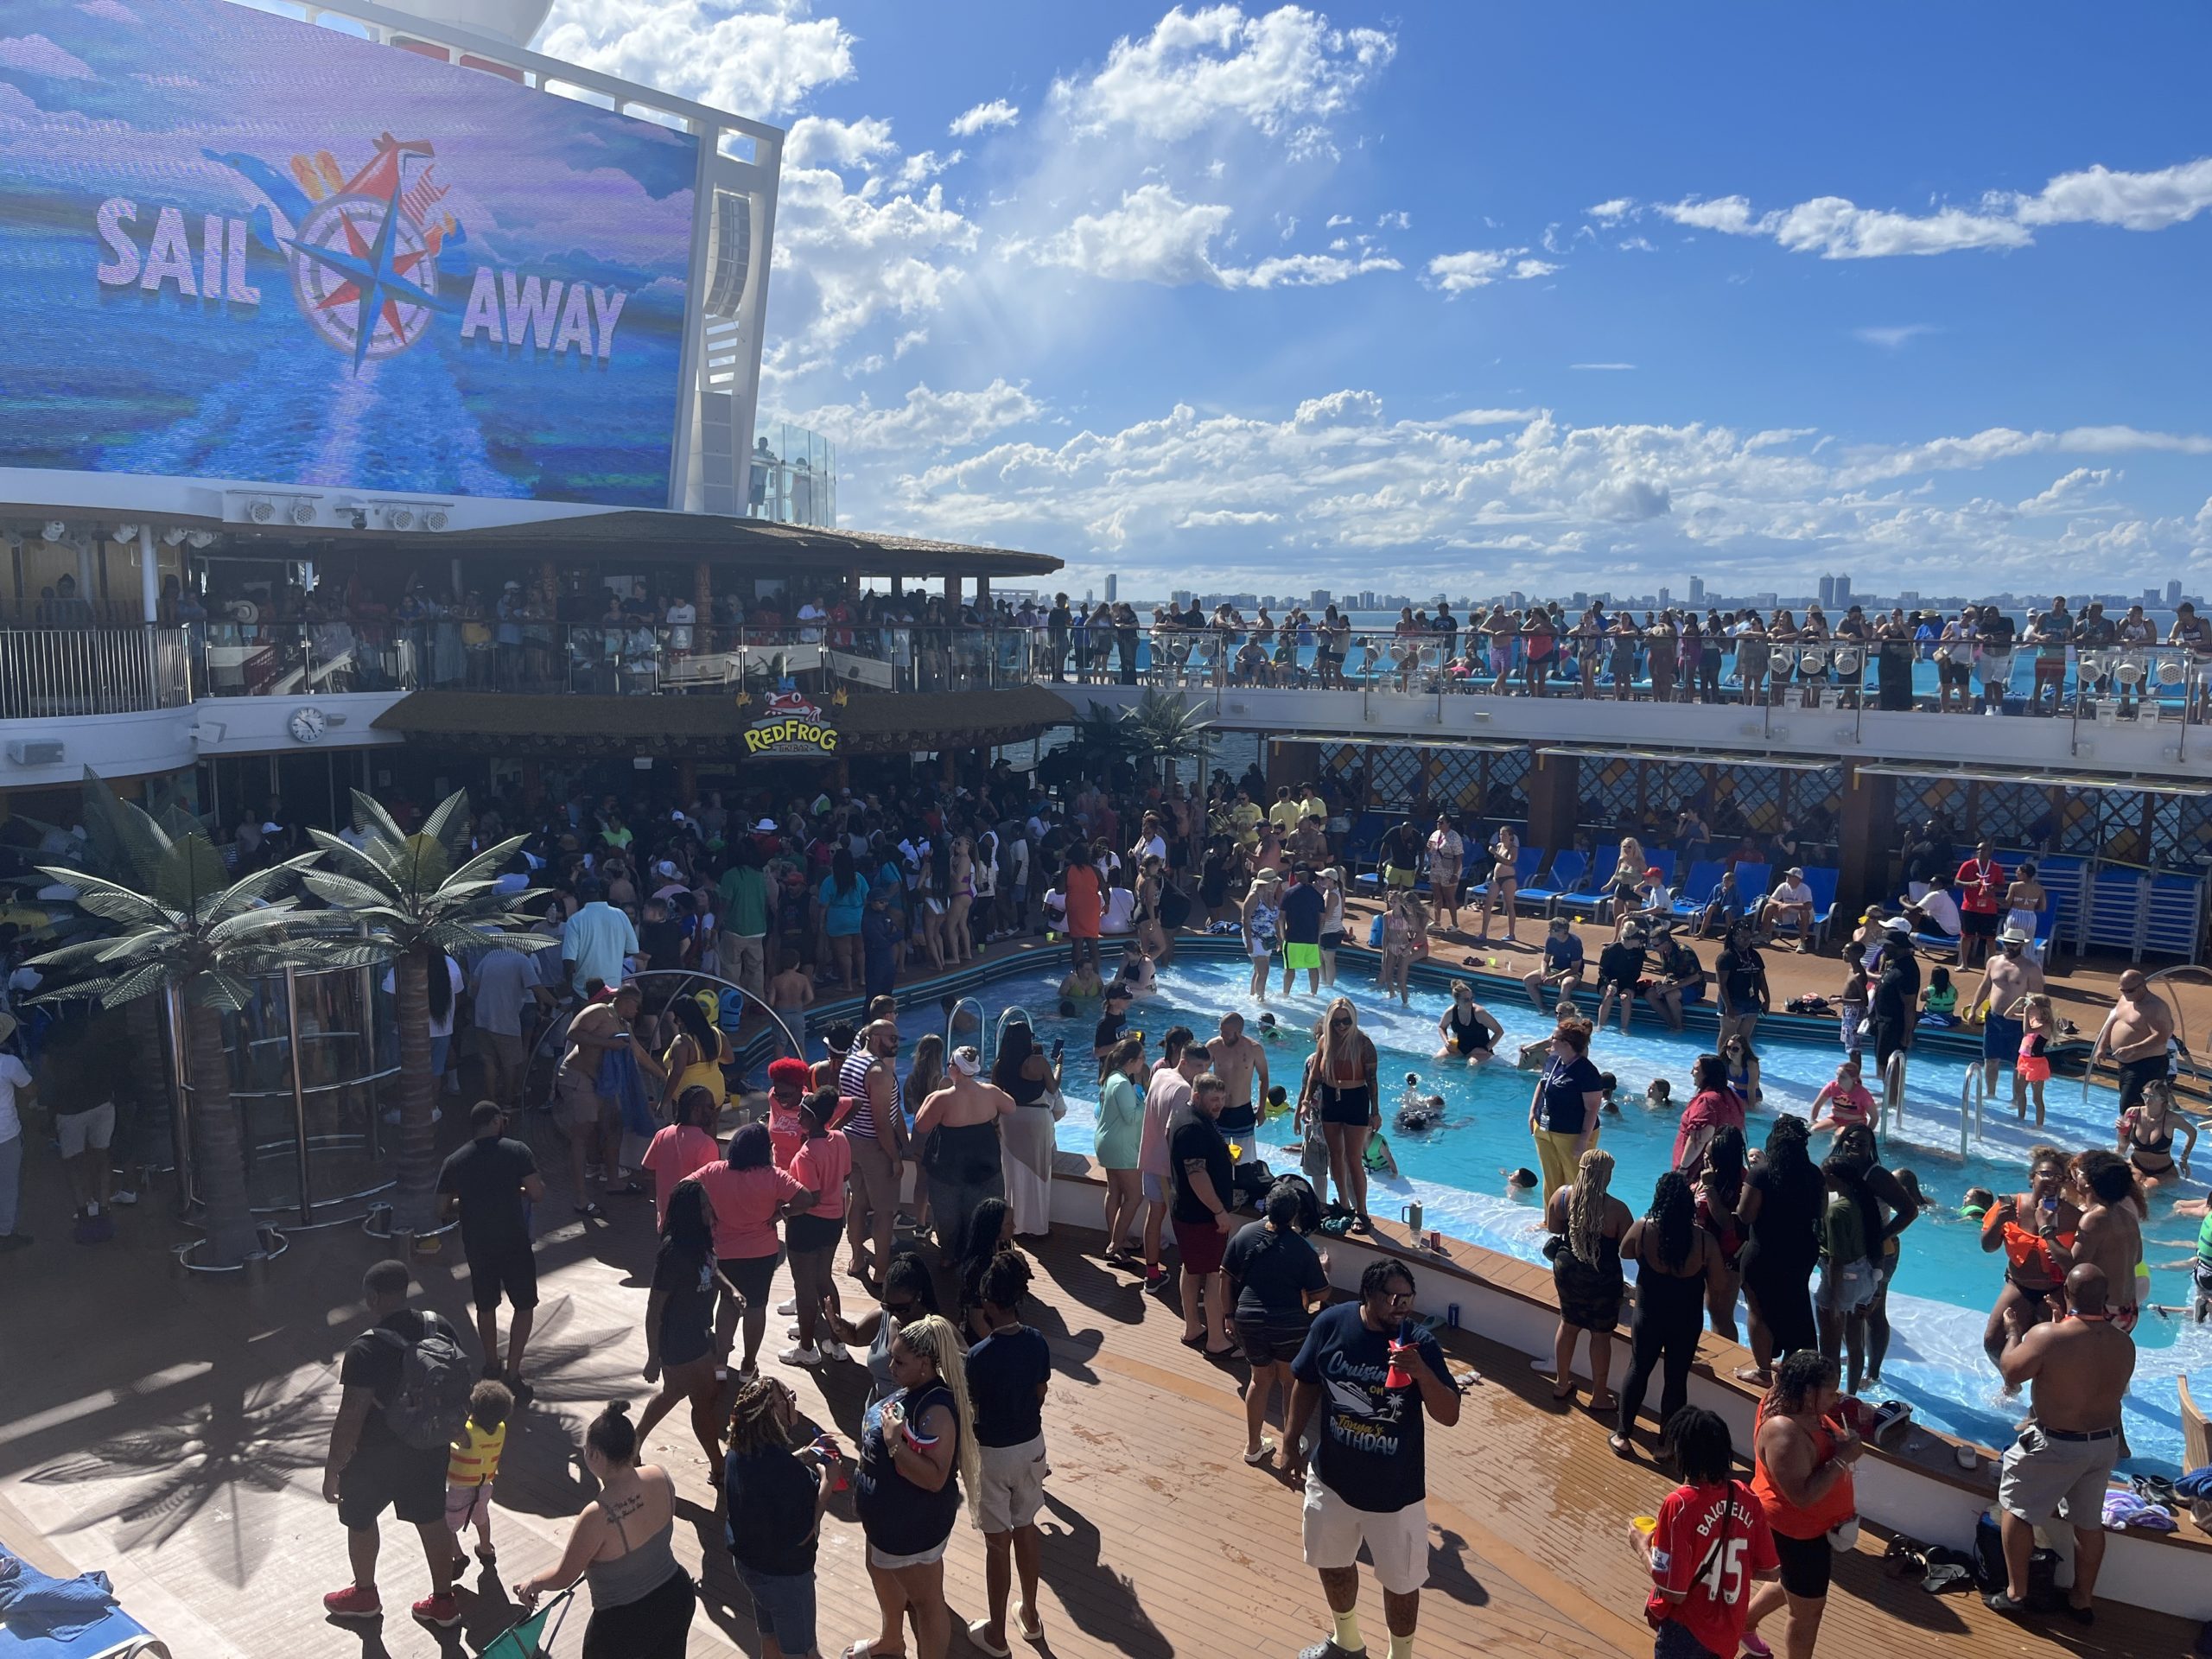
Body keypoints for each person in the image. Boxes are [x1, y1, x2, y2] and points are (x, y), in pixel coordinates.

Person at [1283, 1261, 1460, 1659]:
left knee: (1401, 1583)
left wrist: (1423, 1375)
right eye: (1393, 1298)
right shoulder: (1331, 1324)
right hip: (1332, 1482)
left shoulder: (1420, 1345)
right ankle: (1346, 1642)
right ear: (1368, 1296)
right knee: (1332, 1563)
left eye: (1408, 1298)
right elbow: (1306, 1382)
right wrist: (1290, 1441)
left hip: (1396, 1496)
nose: (1402, 1306)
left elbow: (1449, 1415)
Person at [320, 1260, 468, 1627]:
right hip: (429, 1447)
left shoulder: (365, 1350)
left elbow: (351, 1415)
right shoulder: (440, 1325)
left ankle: (364, 1595)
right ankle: (444, 1603)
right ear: (406, 1289)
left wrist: (333, 1468)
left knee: (361, 1519)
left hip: (374, 1457)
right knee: (432, 1520)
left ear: (371, 1298)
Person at [1986, 1262, 2134, 1625]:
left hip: (2056, 1445)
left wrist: (2014, 1332)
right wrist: (2058, 1321)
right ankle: (2082, 1601)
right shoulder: (2124, 1343)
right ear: (2106, 1299)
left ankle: (2015, 1595)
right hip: (2102, 1446)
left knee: (2016, 1511)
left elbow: (2012, 1371)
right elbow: (2086, 1370)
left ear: (2067, 1293)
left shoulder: (2046, 1336)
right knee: (2088, 1524)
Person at [514, 1401, 696, 1657]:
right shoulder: (659, 1475)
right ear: (633, 1446)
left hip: (623, 1623)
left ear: (595, 1455)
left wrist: (532, 1584)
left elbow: (564, 1576)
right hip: (676, 1596)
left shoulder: (597, 1515)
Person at [854, 1313, 979, 1659]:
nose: (890, 1366)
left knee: (926, 1602)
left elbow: (935, 1477)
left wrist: (895, 1443)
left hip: (911, 1528)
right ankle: (892, 1639)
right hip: (886, 1524)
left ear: (924, 1364)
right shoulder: (911, 1390)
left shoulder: (936, 1408)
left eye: (899, 1361)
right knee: (879, 1568)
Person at [1632, 1406, 1779, 1659]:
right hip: (1727, 1632)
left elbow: (1674, 1592)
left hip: (1685, 1633)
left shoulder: (1679, 1505)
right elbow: (1771, 1570)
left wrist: (1641, 1547)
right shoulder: (1746, 1496)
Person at [1741, 1351, 1859, 1659]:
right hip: (1798, 1533)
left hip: (1808, 1530)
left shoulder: (1790, 1399)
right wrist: (1842, 1457)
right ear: (1808, 1392)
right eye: (1831, 1392)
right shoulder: (1785, 1433)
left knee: (1791, 1582)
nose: (1836, 1398)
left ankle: (1744, 1622)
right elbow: (1803, 1497)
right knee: (1808, 1613)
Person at [964, 1251, 1053, 1656]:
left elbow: (971, 1410)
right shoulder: (1037, 1342)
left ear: (987, 1304)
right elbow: (1039, 1393)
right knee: (1027, 1527)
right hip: (1031, 1447)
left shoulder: (979, 1357)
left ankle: (997, 1634)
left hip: (993, 1454)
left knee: (997, 1545)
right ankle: (1031, 1618)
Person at [723, 1374, 839, 1659]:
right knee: (801, 1652)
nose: (794, 1401)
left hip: (750, 1566)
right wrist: (828, 1483)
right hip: (784, 1579)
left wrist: (800, 1455)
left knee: (770, 1639)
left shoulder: (738, 1451)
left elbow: (768, 1474)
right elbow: (806, 1531)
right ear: (774, 1414)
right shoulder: (790, 1476)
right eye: (789, 1398)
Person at [435, 1101, 547, 1395]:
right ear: (497, 1120)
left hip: (478, 1242)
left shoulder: (455, 1161)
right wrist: (515, 1191)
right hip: (514, 1240)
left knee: (486, 1305)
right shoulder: (517, 1151)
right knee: (524, 1305)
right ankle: (513, 1372)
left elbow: (442, 1208)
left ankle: (491, 1365)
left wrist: (471, 1202)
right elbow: (537, 1194)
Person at [695, 1122, 814, 1378]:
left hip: (724, 1251)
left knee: (727, 1304)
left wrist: (707, 1215)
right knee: (755, 1307)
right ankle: (748, 1366)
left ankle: (720, 1364)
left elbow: (682, 1189)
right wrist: (782, 1213)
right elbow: (805, 1198)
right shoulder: (773, 1176)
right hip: (762, 1253)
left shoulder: (714, 1171)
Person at [1225, 1179, 1330, 1469]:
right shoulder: (1302, 1249)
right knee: (1289, 1383)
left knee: (1259, 1380)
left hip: (1249, 1319)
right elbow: (1322, 1293)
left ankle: (1253, 1446)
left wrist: (1228, 1315)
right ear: (1294, 1214)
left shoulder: (1245, 1234)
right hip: (1289, 1324)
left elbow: (1226, 1276)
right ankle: (1291, 1442)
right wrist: (1324, 1271)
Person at [637, 1181, 734, 1477]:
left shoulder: (700, 1242)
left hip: (700, 1333)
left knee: (675, 1392)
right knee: (704, 1401)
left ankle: (633, 1444)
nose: (709, 1211)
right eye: (703, 1207)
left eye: (709, 1205)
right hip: (679, 1341)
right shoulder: (674, 1254)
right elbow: (654, 1310)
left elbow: (712, 1269)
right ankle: (719, 1466)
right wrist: (654, 1357)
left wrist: (732, 1290)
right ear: (690, 1213)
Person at [1732, 1117, 1823, 1387]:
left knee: (1758, 1310)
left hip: (1765, 1250)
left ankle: (1762, 1372)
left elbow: (1746, 1215)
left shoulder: (1762, 1173)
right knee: (1793, 1304)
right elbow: (1820, 1213)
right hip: (1802, 1252)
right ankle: (1788, 1363)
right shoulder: (1814, 1174)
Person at [555, 982, 657, 1217]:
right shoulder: (599, 1011)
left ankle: (613, 1182)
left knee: (614, 1125)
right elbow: (573, 1033)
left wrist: (664, 1076)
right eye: (636, 1005)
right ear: (626, 1001)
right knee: (582, 1134)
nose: (637, 1011)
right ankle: (581, 1198)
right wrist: (608, 1044)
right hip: (579, 1078)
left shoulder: (624, 1025)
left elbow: (639, 1054)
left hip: (602, 1083)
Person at [1979, 1146, 2082, 1378]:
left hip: (2055, 1289)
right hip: (2019, 1285)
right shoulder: (2010, 1205)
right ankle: (2011, 1380)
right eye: (2045, 1174)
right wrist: (1998, 1223)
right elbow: (1988, 1247)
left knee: (2051, 1352)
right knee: (1992, 1341)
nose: (2052, 1180)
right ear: (2031, 1178)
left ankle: (2038, 1401)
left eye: (2058, 1177)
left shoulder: (2073, 1217)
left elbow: (2079, 1262)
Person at [1545, 1147, 1630, 1408]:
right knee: (1600, 1335)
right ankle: (1599, 1396)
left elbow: (1553, 1228)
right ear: (1607, 1176)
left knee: (1568, 1325)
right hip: (1602, 1275)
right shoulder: (1617, 1209)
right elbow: (1627, 1249)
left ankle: (1561, 1384)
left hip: (1568, 1268)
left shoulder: (1562, 1196)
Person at [915, 1045, 1016, 1259]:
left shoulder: (942, 1098)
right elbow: (1011, 1107)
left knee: (947, 1216)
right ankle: (980, 1255)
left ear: (956, 1069)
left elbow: (921, 1125)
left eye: (950, 1064)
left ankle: (949, 1257)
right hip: (984, 1165)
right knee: (983, 1215)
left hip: (948, 1167)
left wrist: (932, 1095)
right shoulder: (990, 1092)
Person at [1170, 1072, 1239, 1354]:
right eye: (1213, 1100)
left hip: (1187, 1212)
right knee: (1212, 1275)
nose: (1219, 1105)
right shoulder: (1193, 1128)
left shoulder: (1186, 1117)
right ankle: (1216, 1341)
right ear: (1197, 1097)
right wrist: (1220, 1211)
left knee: (1191, 1268)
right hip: (1202, 1217)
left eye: (1222, 1100)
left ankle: (1193, 1327)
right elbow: (1197, 1174)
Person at [785, 1089, 854, 1366]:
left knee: (804, 1287)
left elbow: (810, 1198)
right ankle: (837, 1344)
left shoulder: (805, 1155)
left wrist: (783, 1211)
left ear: (811, 1119)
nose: (798, 1116)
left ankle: (806, 1348)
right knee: (824, 1280)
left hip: (806, 1226)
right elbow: (846, 1174)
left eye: (802, 1113)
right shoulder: (840, 1139)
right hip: (834, 1223)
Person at [1300, 998, 1380, 1232]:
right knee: (1335, 1155)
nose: (1341, 1026)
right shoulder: (1325, 1041)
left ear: (1353, 1019)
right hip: (1330, 1099)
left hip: (1355, 1099)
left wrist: (1375, 1112)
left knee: (1353, 1158)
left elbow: (1373, 1081)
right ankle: (1343, 1204)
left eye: (1346, 1021)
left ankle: (1362, 1211)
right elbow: (1315, 1075)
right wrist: (1305, 1101)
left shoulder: (1364, 1043)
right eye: (1336, 1022)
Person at [1140, 1027, 1205, 1285]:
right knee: (1183, 1225)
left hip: (1149, 1158)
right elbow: (1174, 1135)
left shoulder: (1161, 1073)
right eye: (1199, 1067)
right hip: (1169, 1168)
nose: (1203, 1073)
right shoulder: (1183, 1091)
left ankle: (1152, 1273)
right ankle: (1192, 1283)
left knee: (1154, 1215)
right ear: (1184, 1061)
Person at [2060, 1148, 2147, 1333]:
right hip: (2128, 1309)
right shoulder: (2127, 1215)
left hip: (2103, 1311)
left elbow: (2072, 1268)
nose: (2076, 1175)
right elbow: (2138, 1258)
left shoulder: (2095, 1218)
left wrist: (2047, 1232)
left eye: (2080, 1173)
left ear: (2090, 1183)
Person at [992, 1020, 1062, 1238]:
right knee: (1039, 1173)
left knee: (1013, 1174)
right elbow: (1053, 1087)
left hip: (1010, 1118)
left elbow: (996, 1094)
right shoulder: (1038, 1062)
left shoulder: (1000, 1064)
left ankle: (1016, 1225)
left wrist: (995, 1124)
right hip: (1035, 1118)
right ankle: (1038, 1227)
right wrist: (1059, 1066)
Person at [1528, 1017, 1604, 1201]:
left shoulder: (1587, 1071)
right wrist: (1532, 1113)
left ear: (1566, 1044)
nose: (1549, 1041)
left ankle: (1576, 1224)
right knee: (1551, 1178)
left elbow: (1592, 1109)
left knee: (1575, 1180)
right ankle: (1551, 1221)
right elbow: (1543, 1083)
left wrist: (1583, 1140)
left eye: (1553, 1038)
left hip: (1573, 1134)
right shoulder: (1553, 1060)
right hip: (1545, 1129)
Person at [444, 1379, 510, 1578]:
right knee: (481, 1516)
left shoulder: (467, 1433)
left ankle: (458, 1556)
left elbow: (448, 1431)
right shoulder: (500, 1428)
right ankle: (486, 1548)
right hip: (484, 1486)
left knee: (445, 1524)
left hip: (459, 1489)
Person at [1095, 1033, 1147, 1265]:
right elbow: (1131, 1117)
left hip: (1107, 1143)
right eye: (1141, 1057)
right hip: (1122, 1147)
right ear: (1131, 1061)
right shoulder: (1123, 1083)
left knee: (1114, 1192)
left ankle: (1117, 1239)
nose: (1144, 1061)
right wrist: (1148, 1102)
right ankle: (1115, 1246)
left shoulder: (1111, 1078)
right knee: (1135, 1196)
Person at [643, 1084, 723, 1227]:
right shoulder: (706, 1144)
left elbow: (648, 1170)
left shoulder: (662, 1134)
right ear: (696, 1110)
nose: (714, 1111)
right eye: (711, 1107)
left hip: (666, 1220)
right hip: (695, 1224)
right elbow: (712, 1187)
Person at [1696, 1128, 1749, 1343]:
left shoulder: (1742, 1183)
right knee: (1707, 1307)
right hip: (1703, 1252)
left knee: (1721, 1313)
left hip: (1727, 1257)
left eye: (1711, 1155)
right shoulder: (1710, 1172)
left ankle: (1726, 1360)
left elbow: (1728, 1222)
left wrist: (1709, 1188)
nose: (1705, 1158)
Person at [1669, 1056, 1744, 1185]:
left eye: (1696, 1069)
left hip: (1697, 1173)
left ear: (1708, 1074)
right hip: (1726, 1169)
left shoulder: (1707, 1101)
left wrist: (1683, 1169)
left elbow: (1700, 1138)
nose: (1691, 1073)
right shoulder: (1733, 1097)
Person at [2118, 1075, 2196, 1186]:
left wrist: (2184, 1158)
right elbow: (2122, 1146)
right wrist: (2122, 1132)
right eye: (2145, 1095)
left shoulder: (2171, 1119)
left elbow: (2192, 1132)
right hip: (2136, 1164)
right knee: (2127, 1185)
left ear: (2163, 1099)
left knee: (2148, 1187)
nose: (2147, 1100)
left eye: (2152, 1097)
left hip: (2163, 1171)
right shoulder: (2133, 1113)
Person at [0, 1011, 31, 1249]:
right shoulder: (9, 1064)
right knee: (8, 1185)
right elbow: (32, 1090)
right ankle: (5, 1233)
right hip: (6, 1133)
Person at [1713, 923, 1769, 1049]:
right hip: (1732, 1001)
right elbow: (1722, 984)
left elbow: (1762, 979)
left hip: (1751, 1001)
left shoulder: (1754, 956)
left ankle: (1740, 1063)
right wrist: (1728, 1006)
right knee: (1727, 1035)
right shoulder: (1725, 958)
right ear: (1733, 937)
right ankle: (1721, 1062)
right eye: (1742, 938)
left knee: (1744, 1038)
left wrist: (1767, 1000)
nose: (1745, 941)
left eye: (1748, 938)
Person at [1522, 916, 1586, 1013]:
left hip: (1572, 972)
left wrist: (1555, 978)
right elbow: (1545, 960)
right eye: (1550, 929)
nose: (1550, 931)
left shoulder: (1575, 942)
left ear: (1564, 931)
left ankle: (1558, 1012)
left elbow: (1575, 969)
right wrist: (1544, 973)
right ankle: (1542, 1008)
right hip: (1555, 969)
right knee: (1528, 980)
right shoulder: (1550, 940)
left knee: (1566, 984)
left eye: (1555, 930)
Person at [1280, 864, 1327, 995]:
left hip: (1293, 938)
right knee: (1313, 968)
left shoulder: (1289, 893)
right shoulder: (1317, 896)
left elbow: (1281, 917)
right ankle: (1313, 995)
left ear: (1295, 876)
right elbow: (1322, 919)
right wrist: (1318, 938)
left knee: (1290, 969)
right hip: (1311, 939)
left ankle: (1285, 995)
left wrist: (1282, 936)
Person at [1593, 926, 1648, 1035]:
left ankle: (1624, 1028)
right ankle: (1600, 1026)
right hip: (1608, 980)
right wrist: (1608, 984)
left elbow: (1636, 973)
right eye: (1640, 940)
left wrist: (1627, 988)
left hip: (1627, 982)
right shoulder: (1611, 950)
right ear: (1631, 939)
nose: (1642, 943)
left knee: (1626, 998)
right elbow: (1602, 971)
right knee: (1609, 995)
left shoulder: (1640, 951)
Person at [1804, 1060, 1874, 1140]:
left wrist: (1867, 1134)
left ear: (1854, 1078)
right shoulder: (1832, 1086)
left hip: (1855, 1122)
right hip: (1835, 1119)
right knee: (1813, 1130)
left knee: (1838, 1137)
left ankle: (1831, 1151)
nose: (1837, 1079)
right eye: (1837, 1075)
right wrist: (1813, 1120)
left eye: (1842, 1077)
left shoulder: (1862, 1094)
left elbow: (1874, 1117)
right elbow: (1817, 1105)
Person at [1436, 980, 1503, 1063]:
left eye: (1472, 998)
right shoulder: (1451, 1012)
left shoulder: (1479, 1013)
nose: (1471, 1002)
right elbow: (1441, 1027)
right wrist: (1446, 1042)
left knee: (1472, 1064)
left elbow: (1499, 1031)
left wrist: (1486, 1048)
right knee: (1438, 1059)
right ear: (1457, 1001)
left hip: (1479, 1050)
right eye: (1466, 1000)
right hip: (1459, 1048)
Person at [1425, 814, 1464, 931]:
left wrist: (1455, 874)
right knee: (1436, 896)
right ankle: (1437, 922)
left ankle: (1455, 924)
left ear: (1448, 824)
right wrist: (1427, 847)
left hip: (1448, 870)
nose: (1438, 824)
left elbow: (1458, 857)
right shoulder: (1435, 834)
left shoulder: (1454, 837)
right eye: (1438, 821)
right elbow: (1429, 850)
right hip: (1435, 868)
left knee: (1449, 896)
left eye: (1441, 822)